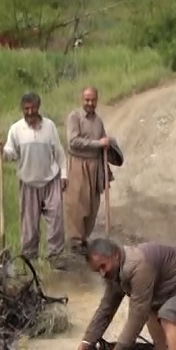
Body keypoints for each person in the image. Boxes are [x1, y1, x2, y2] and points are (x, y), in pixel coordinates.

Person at [0, 91, 69, 268]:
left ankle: (55, 257)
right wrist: (2, 152)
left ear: (38, 108)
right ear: (22, 109)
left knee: (56, 221)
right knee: (29, 225)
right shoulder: (16, 129)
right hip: (28, 183)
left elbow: (59, 153)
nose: (29, 112)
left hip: (51, 180)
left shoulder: (49, 127)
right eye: (26, 109)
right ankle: (29, 259)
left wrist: (64, 174)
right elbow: (10, 153)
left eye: (33, 108)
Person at [64, 87, 121, 256]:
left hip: (95, 165)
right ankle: (74, 242)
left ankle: (84, 240)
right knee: (77, 203)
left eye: (93, 100)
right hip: (79, 163)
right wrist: (98, 144)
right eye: (87, 100)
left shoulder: (98, 121)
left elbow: (104, 141)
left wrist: (108, 144)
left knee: (92, 204)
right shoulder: (74, 117)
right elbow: (73, 141)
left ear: (96, 100)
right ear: (82, 99)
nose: (90, 103)